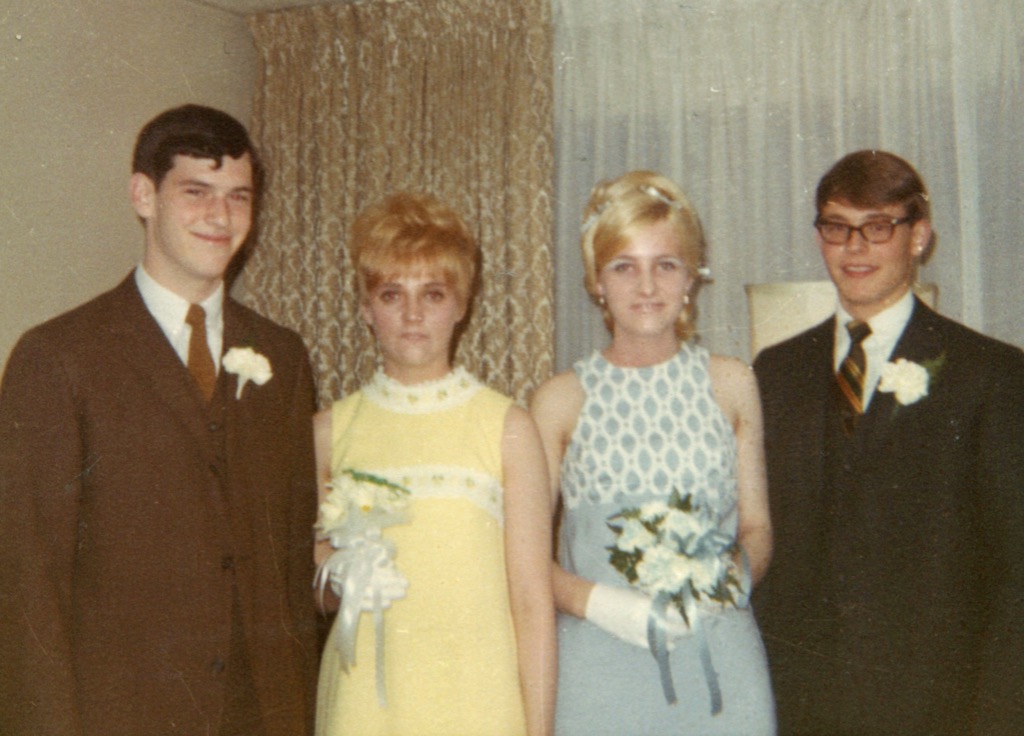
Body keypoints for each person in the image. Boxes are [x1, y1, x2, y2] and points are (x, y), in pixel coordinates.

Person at [0, 104, 319, 736]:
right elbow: (27, 587)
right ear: (143, 195)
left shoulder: (282, 355)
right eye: (196, 193)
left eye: (239, 197)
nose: (221, 216)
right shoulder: (59, 357)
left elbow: (287, 563)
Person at [753, 149, 1024, 736]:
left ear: (919, 236)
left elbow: (1014, 575)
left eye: (878, 228)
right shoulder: (775, 371)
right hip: (801, 705)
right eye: (836, 227)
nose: (854, 249)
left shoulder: (992, 374)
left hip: (936, 707)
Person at [531, 170, 775, 735]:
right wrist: (607, 607)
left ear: (691, 276)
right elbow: (524, 560)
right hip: (600, 665)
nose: (646, 287)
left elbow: (757, 529)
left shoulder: (731, 383)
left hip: (718, 658)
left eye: (665, 265)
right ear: (596, 280)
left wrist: (727, 582)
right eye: (624, 266)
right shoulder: (559, 400)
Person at [312, 192, 556, 736]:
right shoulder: (331, 431)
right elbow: (308, 587)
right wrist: (337, 571)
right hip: (367, 703)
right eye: (393, 294)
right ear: (365, 306)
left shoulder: (507, 427)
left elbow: (532, 602)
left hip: (478, 700)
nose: (414, 313)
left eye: (434, 293)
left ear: (462, 303)